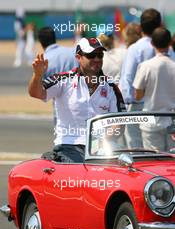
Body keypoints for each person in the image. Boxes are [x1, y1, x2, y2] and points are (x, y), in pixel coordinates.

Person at [28, 37, 125, 163]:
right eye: (91, 55)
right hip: (68, 146)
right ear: (78, 57)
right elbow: (36, 93)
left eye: (100, 55)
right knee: (80, 173)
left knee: (126, 167)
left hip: (102, 147)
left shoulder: (111, 86)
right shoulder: (63, 80)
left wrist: (100, 140)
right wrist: (37, 75)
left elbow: (119, 122)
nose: (97, 59)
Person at [119, 8, 161, 148]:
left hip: (137, 105)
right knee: (160, 150)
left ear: (140, 27)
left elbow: (127, 79)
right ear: (159, 25)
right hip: (162, 106)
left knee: (136, 148)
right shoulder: (167, 50)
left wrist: (124, 106)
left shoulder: (135, 49)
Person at [134, 27, 175, 151]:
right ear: (169, 43)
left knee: (154, 163)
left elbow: (138, 96)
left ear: (152, 43)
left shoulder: (146, 66)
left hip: (151, 122)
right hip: (172, 121)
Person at [38, 26, 78, 125]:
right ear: (54, 38)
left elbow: (41, 92)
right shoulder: (73, 52)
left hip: (60, 112)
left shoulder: (44, 61)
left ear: (40, 42)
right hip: (80, 105)